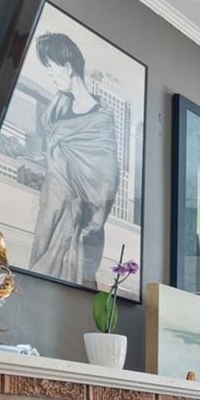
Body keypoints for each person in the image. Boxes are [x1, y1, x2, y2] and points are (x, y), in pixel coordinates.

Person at [24, 32, 119, 288]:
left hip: (75, 217)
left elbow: (106, 181)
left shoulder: (101, 122)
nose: (51, 77)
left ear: (67, 67)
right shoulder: (58, 107)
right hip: (49, 208)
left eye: (52, 70)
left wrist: (89, 219)